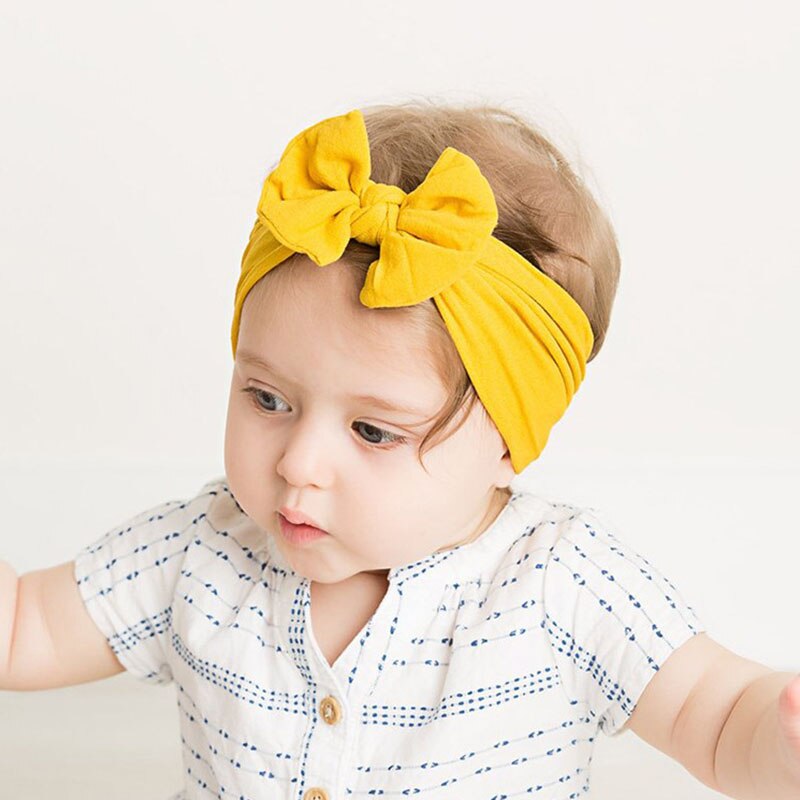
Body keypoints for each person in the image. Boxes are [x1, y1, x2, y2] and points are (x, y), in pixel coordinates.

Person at [2, 102, 799, 800]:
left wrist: (782, 738)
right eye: (268, 399)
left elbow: (720, 715)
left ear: (509, 441)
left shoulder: (562, 579)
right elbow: (26, 628)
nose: (297, 463)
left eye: (373, 431)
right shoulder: (203, 549)